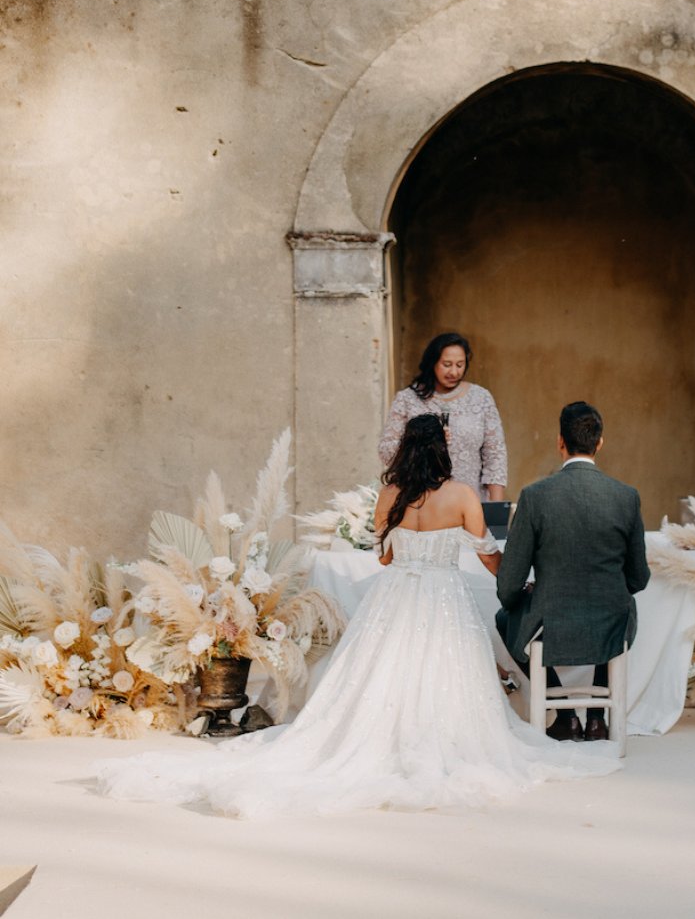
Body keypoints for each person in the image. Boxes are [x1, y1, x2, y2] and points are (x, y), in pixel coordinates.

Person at [95, 415, 618, 817]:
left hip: (395, 599)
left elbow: (384, 556)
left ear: (406, 452)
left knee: (380, 675)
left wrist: (410, 547)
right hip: (442, 600)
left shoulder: (389, 495)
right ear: (443, 451)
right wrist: (520, 574)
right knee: (443, 674)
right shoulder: (461, 495)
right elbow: (487, 554)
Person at [496, 401, 649, 742]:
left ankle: (565, 719)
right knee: (613, 609)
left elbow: (508, 583)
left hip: (551, 618)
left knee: (505, 617)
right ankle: (596, 719)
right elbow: (639, 578)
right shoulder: (626, 497)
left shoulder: (535, 497)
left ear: (559, 442)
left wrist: (521, 596)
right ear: (600, 443)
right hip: (612, 619)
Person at [379, 332, 508, 502]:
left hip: (470, 502)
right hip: (420, 501)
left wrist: (496, 509)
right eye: (447, 364)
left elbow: (495, 455)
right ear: (432, 363)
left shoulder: (481, 398)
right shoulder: (407, 399)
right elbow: (386, 451)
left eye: (460, 365)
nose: (454, 372)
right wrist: (422, 440)